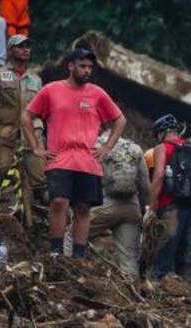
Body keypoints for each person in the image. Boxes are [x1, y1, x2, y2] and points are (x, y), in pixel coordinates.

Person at [22, 47, 126, 259]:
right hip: (59, 158)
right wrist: (35, 146)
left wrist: (106, 147)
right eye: (82, 66)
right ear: (71, 66)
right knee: (58, 201)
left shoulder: (97, 93)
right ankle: (55, 252)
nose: (87, 70)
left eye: (90, 67)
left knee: (83, 208)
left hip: (88, 161)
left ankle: (79, 255)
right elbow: (27, 115)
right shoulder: (51, 90)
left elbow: (120, 120)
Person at [0, 34, 45, 192]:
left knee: (40, 181)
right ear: (10, 50)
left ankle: (38, 214)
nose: (25, 50)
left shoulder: (36, 79)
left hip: (32, 136)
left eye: (27, 46)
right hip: (4, 132)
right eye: (20, 46)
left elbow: (43, 110)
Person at [147, 114, 191, 281]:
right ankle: (190, 294)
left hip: (170, 208)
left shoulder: (162, 148)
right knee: (190, 257)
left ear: (161, 133)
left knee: (165, 254)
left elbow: (159, 176)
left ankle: (162, 292)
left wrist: (151, 208)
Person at [88, 130, 149, 278]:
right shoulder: (135, 149)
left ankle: (66, 273)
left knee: (72, 237)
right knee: (129, 258)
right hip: (131, 208)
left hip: (104, 205)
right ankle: (133, 294)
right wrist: (142, 210)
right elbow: (145, 185)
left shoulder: (95, 146)